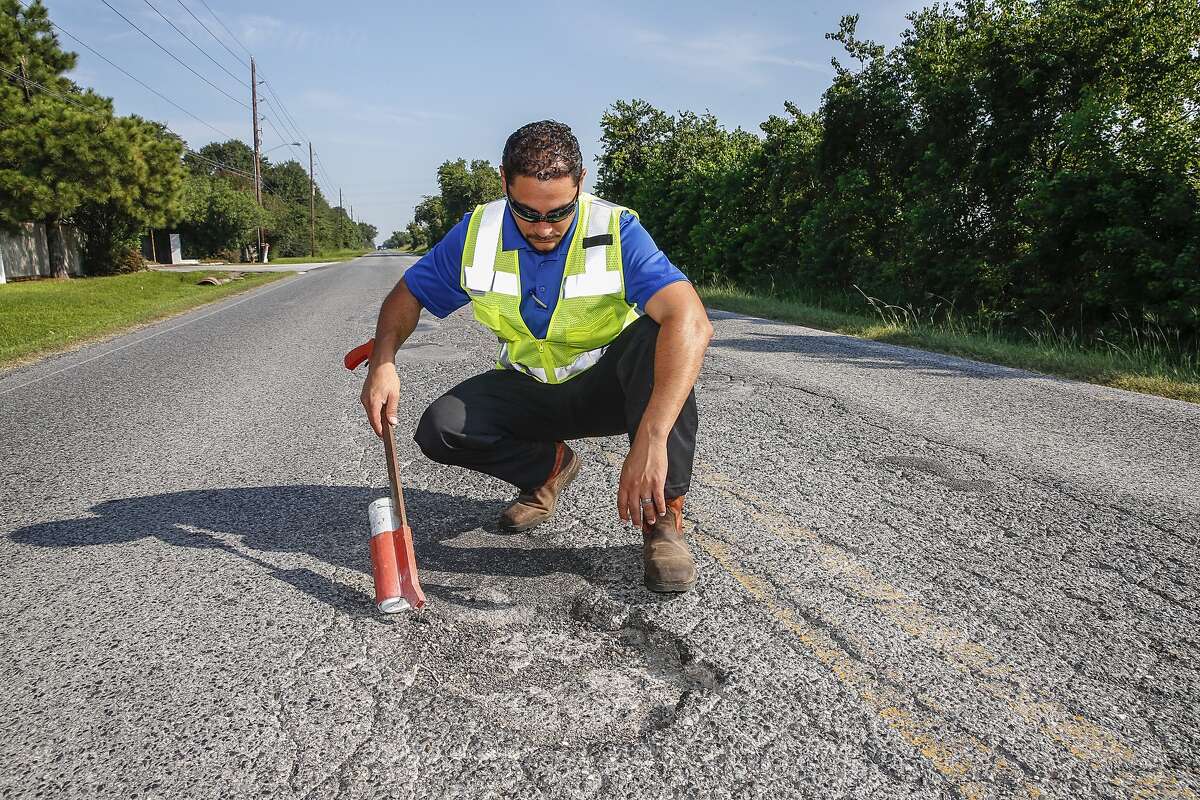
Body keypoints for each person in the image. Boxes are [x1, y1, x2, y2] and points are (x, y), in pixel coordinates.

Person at [359, 120, 712, 593]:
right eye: (527, 213)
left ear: (581, 183)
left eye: (559, 212)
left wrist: (650, 437)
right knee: (441, 426)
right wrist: (384, 361)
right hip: (529, 385)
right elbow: (408, 295)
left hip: (607, 384)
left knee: (660, 338)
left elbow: (691, 321)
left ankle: (664, 521)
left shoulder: (616, 230)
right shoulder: (477, 234)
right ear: (504, 181)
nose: (544, 228)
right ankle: (549, 469)